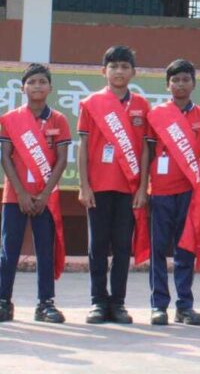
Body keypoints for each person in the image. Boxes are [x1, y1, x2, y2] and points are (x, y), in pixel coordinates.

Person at [0, 63, 69, 324]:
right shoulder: (11, 119)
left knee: (45, 250)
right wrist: (21, 193)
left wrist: (44, 194)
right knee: (9, 249)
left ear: (50, 87)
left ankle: (46, 303)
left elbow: (62, 160)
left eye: (42, 81)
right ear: (22, 88)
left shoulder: (59, 120)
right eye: (31, 82)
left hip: (46, 196)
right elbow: (6, 158)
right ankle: (2, 302)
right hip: (15, 196)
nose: (37, 86)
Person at [77, 45, 149, 324]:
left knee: (121, 246)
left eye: (124, 67)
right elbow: (83, 146)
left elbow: (145, 149)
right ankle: (98, 301)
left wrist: (142, 187)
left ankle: (118, 302)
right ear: (103, 71)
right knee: (97, 246)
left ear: (133, 72)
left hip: (129, 187)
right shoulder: (91, 103)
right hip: (98, 186)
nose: (119, 71)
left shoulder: (142, 105)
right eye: (114, 66)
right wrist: (84, 185)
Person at [143, 58, 200, 326]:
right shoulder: (156, 115)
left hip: (188, 192)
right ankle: (158, 305)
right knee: (159, 249)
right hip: (160, 191)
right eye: (175, 80)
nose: (180, 84)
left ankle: (185, 305)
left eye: (185, 79)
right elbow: (149, 152)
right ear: (167, 85)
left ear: (194, 83)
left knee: (185, 248)